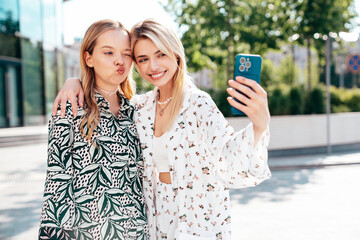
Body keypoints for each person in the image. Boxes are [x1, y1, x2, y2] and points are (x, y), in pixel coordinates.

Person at [53, 19, 271, 240]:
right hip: (155, 222)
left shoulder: (198, 104)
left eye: (161, 55)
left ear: (176, 55)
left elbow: (228, 160)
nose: (153, 67)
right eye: (143, 59)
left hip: (197, 221)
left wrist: (259, 126)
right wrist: (75, 81)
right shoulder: (140, 108)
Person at [38, 19, 148, 240]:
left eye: (126, 54)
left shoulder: (138, 110)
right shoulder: (71, 107)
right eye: (108, 53)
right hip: (90, 233)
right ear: (89, 58)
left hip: (138, 232)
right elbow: (56, 184)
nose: (120, 61)